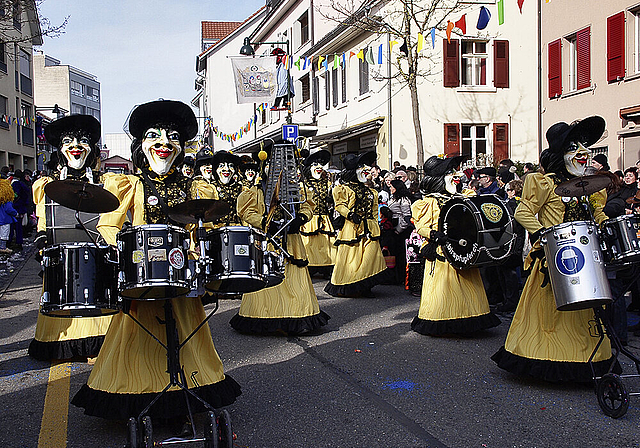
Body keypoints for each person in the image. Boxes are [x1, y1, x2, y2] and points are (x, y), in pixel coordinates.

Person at [72, 100, 241, 420]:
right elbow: (108, 225)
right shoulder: (129, 184)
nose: (164, 142)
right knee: (138, 338)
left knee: (186, 335)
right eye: (154, 135)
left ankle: (188, 386)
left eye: (172, 137)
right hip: (142, 276)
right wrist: (123, 251)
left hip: (181, 275)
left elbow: (202, 228)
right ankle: (139, 392)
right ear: (141, 145)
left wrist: (197, 252)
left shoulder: (194, 186)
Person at [492, 116, 617, 382]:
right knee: (550, 314)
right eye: (574, 147)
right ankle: (548, 359)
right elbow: (524, 211)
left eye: (584, 145)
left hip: (585, 258)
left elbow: (597, 212)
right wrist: (543, 234)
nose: (583, 152)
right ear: (561, 154)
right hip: (553, 258)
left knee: (586, 309)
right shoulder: (544, 183)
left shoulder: (589, 186)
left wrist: (606, 225)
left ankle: (589, 357)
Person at [28, 114, 114, 362]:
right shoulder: (48, 184)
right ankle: (61, 345)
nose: (75, 146)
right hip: (60, 251)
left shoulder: (104, 184)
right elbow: (44, 216)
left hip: (94, 250)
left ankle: (98, 341)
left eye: (83, 141)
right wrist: (42, 239)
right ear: (60, 150)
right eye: (68, 141)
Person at [230, 147, 330, 335]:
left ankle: (297, 315)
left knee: (294, 280)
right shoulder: (256, 192)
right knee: (266, 280)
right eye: (274, 165)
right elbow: (246, 212)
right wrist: (264, 223)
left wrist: (301, 218)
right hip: (267, 242)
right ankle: (265, 317)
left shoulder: (297, 189)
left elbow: (308, 207)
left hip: (292, 243)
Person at [411, 155, 501, 335]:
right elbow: (421, 226)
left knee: (469, 285)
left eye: (455, 171)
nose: (456, 175)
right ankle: (444, 318)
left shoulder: (462, 197)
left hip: (464, 249)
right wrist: (433, 234)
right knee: (446, 287)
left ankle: (471, 317)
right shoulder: (428, 202)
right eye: (450, 172)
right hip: (442, 251)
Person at [324, 151, 389, 297]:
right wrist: (350, 214)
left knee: (371, 257)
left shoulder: (371, 191)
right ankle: (352, 285)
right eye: (361, 166)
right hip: (351, 228)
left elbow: (373, 211)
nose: (366, 169)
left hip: (369, 229)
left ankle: (365, 284)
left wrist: (375, 225)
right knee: (351, 260)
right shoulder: (343, 189)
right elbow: (339, 205)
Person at [300, 150, 336, 279]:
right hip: (309, 219)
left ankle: (327, 267)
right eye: (315, 164)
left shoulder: (327, 184)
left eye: (321, 164)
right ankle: (310, 266)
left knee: (326, 244)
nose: (319, 167)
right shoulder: (302, 184)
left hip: (324, 218)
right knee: (310, 244)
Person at [384, 179, 413, 284]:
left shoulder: (404, 200)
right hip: (393, 226)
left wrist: (398, 230)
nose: (390, 188)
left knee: (401, 254)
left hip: (401, 230)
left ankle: (401, 276)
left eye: (392, 187)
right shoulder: (394, 198)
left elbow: (406, 217)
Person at [0, 178, 17, 254]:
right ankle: (3, 247)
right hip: (5, 219)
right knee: (4, 234)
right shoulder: (7, 201)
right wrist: (15, 213)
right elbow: (9, 209)